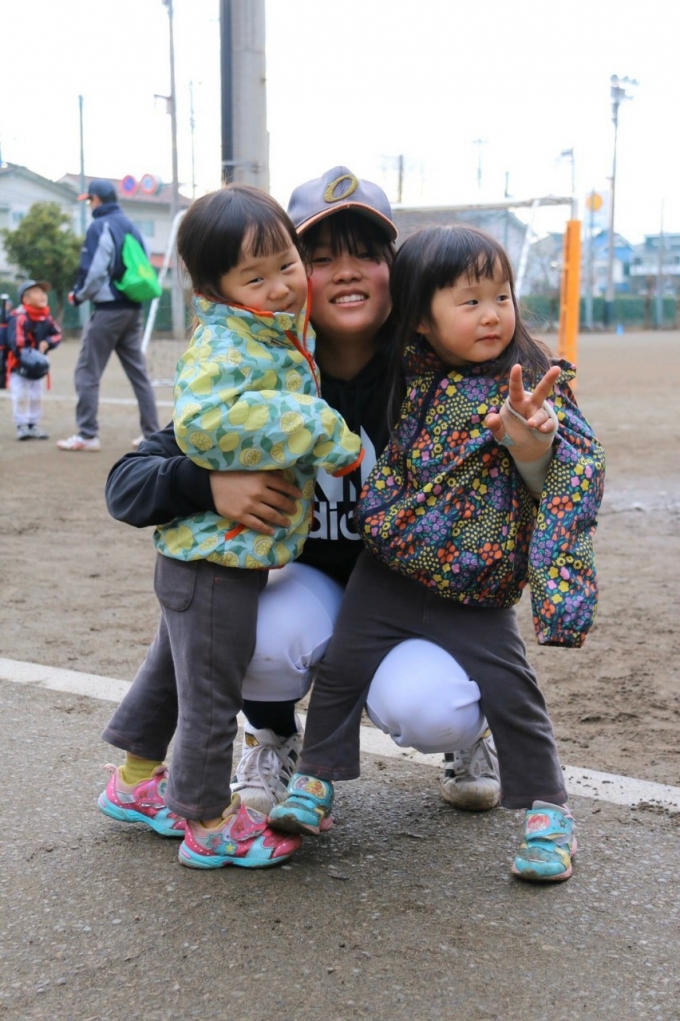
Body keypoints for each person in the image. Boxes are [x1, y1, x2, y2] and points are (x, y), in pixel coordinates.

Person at [103, 166, 500, 820]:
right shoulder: (259, 377)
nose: (345, 273)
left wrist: (533, 449)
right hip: (311, 587)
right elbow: (126, 482)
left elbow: (517, 497)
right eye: (319, 258)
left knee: (435, 709)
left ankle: (471, 732)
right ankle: (270, 736)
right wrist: (208, 484)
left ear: (397, 272)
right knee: (240, 632)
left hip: (405, 599)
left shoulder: (434, 375)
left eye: (366, 255)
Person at [268, 224, 605, 883]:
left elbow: (578, 468)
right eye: (470, 301)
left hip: (476, 584)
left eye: (502, 296)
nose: (493, 314)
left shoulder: (531, 383)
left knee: (512, 691)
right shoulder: (408, 372)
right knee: (342, 669)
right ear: (420, 319)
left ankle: (548, 813)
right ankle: (313, 780)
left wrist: (536, 443)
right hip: (388, 569)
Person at [98, 184, 363, 870]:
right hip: (215, 559)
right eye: (256, 277)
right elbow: (203, 425)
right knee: (211, 695)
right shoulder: (228, 343)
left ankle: (134, 782)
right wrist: (317, 425)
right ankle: (207, 818)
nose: (281, 286)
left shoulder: (269, 330)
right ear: (215, 289)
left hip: (211, 555)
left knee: (172, 672)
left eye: (287, 265)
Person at [57, 178, 159, 452]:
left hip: (109, 310)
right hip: (132, 309)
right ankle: (151, 434)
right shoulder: (132, 226)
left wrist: (79, 295)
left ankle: (87, 434)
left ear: (97, 199)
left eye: (90, 200)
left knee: (87, 372)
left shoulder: (100, 225)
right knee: (139, 374)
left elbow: (95, 269)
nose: (89, 205)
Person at [6, 280, 61, 440]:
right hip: (19, 366)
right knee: (21, 395)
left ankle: (33, 424)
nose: (42, 295)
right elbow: (17, 343)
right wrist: (29, 357)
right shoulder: (20, 317)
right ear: (26, 299)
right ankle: (22, 425)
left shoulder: (46, 317)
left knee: (37, 395)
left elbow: (57, 334)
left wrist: (47, 343)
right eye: (36, 292)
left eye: (43, 292)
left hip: (37, 366)